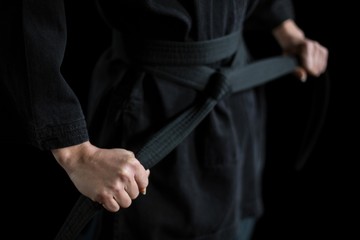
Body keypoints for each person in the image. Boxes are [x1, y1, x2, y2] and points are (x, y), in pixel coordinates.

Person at [0, 0, 328, 239]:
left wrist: (286, 27)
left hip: (235, 101)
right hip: (150, 113)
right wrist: (75, 153)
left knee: (236, 227)